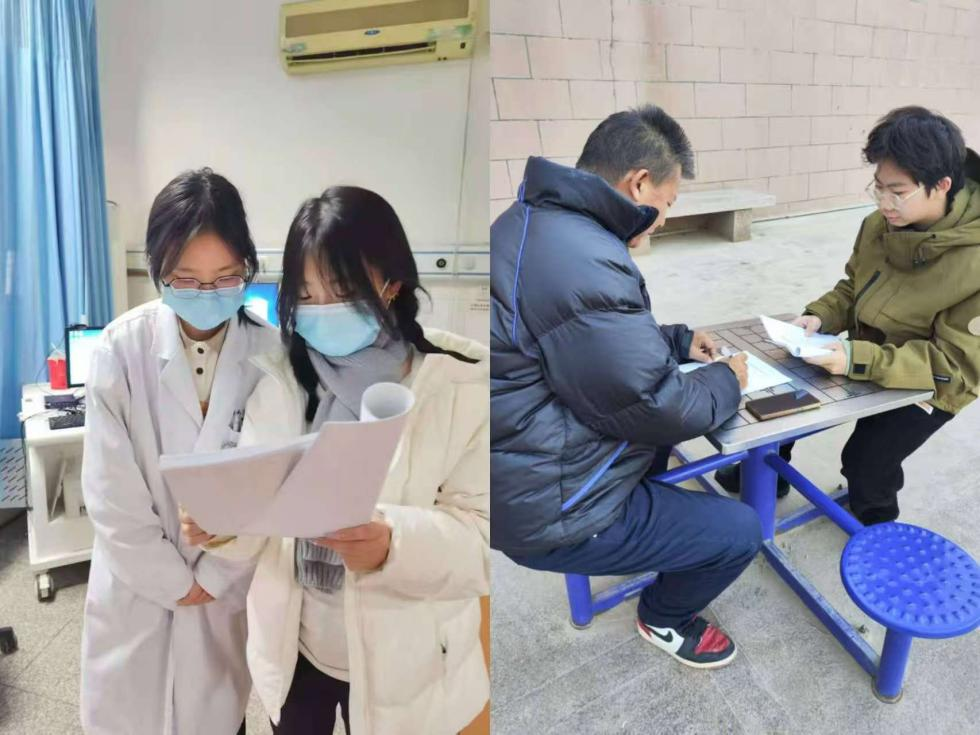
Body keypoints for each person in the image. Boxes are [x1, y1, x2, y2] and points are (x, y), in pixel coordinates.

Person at [181, 186, 490, 734]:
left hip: (408, 664)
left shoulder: (459, 385)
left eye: (343, 290)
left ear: (391, 285)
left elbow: (482, 542)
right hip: (295, 649)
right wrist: (222, 525)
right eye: (305, 293)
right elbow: (262, 517)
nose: (322, 310)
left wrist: (393, 543)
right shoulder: (281, 379)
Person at [490, 105, 762, 669]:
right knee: (741, 530)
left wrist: (676, 341)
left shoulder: (536, 223)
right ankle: (663, 617)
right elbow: (657, 406)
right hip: (551, 512)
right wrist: (726, 380)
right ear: (639, 184)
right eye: (667, 204)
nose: (661, 221)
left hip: (521, 472)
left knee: (664, 451)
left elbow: (580, 342)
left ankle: (653, 528)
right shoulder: (584, 259)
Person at [80, 168, 280, 734]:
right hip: (135, 587)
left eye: (225, 277)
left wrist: (215, 576)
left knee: (215, 715)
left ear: (246, 268)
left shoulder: (273, 356)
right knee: (131, 715)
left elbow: (274, 488)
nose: (206, 295)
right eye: (186, 279)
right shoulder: (121, 349)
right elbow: (111, 495)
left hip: (225, 590)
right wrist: (175, 582)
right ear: (158, 268)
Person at [718, 106, 980, 525]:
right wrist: (819, 318)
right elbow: (853, 287)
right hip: (864, 355)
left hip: (932, 383)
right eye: (878, 187)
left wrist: (856, 358)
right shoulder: (878, 224)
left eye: (897, 191)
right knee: (779, 396)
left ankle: (875, 523)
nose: (884, 203)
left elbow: (954, 365)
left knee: (866, 460)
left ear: (942, 185)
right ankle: (768, 472)